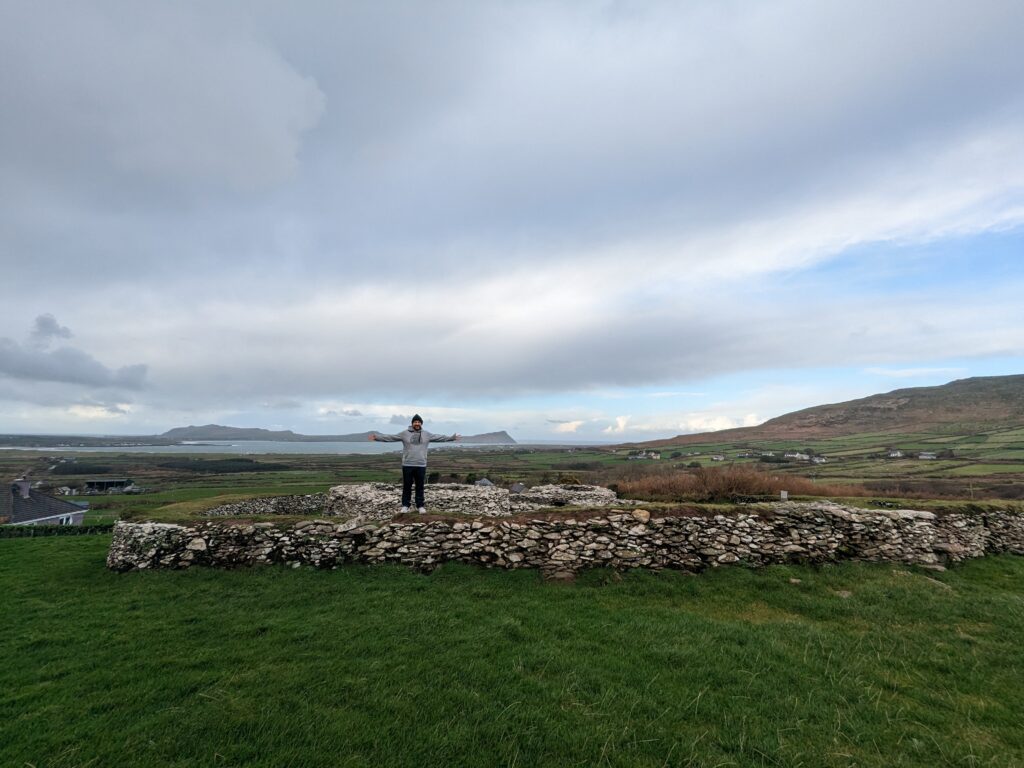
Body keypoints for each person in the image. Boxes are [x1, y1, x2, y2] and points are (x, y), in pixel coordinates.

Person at [369, 414, 460, 513]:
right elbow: (391, 437)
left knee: (420, 486)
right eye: (415, 422)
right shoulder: (404, 433)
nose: (417, 423)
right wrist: (377, 437)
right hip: (407, 464)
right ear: (412, 423)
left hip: (421, 464)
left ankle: (420, 506)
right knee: (407, 486)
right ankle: (405, 506)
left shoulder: (426, 434)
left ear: (421, 423)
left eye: (418, 422)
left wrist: (452, 438)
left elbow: (440, 437)